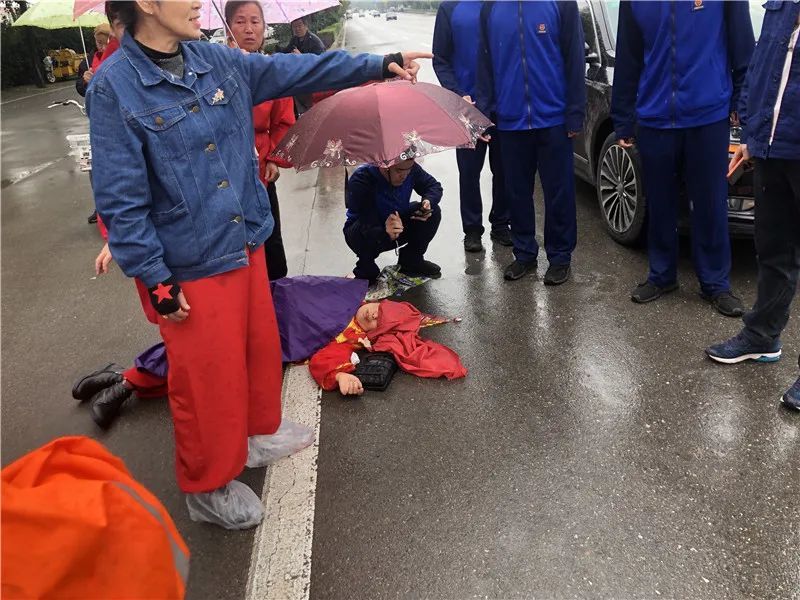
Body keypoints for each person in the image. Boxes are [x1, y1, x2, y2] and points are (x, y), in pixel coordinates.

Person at [86, 0, 430, 530]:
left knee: (257, 346)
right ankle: (206, 483)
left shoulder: (214, 60)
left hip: (244, 235)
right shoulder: (115, 87)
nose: (198, 2)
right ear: (147, 5)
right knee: (206, 380)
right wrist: (154, 278)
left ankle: (254, 433)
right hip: (191, 260)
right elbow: (120, 200)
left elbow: (298, 68)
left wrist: (376, 63)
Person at [611, 1, 754, 316]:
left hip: (708, 115)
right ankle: (662, 275)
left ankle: (716, 283)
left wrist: (742, 108)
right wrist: (622, 118)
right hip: (654, 117)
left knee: (710, 202)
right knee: (659, 202)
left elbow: (743, 47)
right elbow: (628, 57)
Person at [706, 4, 800, 411]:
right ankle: (763, 336)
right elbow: (762, 67)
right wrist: (750, 134)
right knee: (773, 249)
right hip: (772, 148)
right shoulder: (781, 7)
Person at [476, 1, 585, 285]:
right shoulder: (491, 8)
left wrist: (575, 112)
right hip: (510, 120)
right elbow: (485, 65)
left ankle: (560, 256)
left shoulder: (560, 4)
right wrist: (484, 113)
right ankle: (524, 252)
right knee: (517, 191)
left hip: (554, 118)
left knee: (558, 192)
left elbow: (574, 58)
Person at [432, 1, 510, 254]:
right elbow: (440, 59)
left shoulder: (504, 5)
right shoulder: (450, 8)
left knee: (504, 170)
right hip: (467, 107)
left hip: (504, 105)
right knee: (469, 173)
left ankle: (501, 223)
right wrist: (457, 93)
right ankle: (472, 230)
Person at [226, 0, 295, 279]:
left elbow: (284, 121)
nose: (249, 29)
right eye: (240, 21)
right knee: (233, 243)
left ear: (265, 29)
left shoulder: (271, 71)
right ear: (228, 28)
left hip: (260, 169)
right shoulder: (211, 69)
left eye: (255, 21)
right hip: (225, 173)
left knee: (269, 238)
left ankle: (277, 296)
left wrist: (274, 160)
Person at [344, 158, 443, 283]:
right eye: (399, 171)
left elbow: (433, 186)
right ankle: (365, 267)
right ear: (385, 166)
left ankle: (411, 260)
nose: (404, 176)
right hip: (364, 230)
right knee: (365, 231)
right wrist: (385, 232)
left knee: (433, 212)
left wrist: (427, 201)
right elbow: (365, 218)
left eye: (408, 171)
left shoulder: (410, 169)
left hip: (397, 221)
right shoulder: (362, 178)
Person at [279, 17, 326, 115]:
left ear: (306, 26)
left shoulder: (315, 41)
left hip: (312, 79)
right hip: (300, 77)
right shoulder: (295, 39)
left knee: (312, 107)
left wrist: (302, 57)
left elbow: (320, 62)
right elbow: (287, 51)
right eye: (294, 27)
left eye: (299, 25)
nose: (297, 29)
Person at [75, 23, 111, 98]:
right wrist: (85, 82)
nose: (103, 48)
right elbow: (80, 88)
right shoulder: (87, 62)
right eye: (99, 43)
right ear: (95, 40)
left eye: (107, 43)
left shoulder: (121, 56)